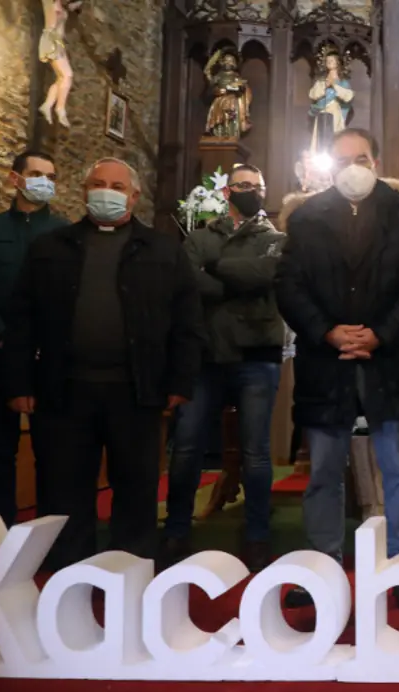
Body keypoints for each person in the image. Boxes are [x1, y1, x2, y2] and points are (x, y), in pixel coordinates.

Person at [3, 157, 204, 570]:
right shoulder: (50, 249)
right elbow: (22, 318)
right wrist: (19, 381)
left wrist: (180, 382)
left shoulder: (164, 250)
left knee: (136, 488)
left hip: (136, 390)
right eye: (98, 183)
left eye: (116, 185)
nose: (106, 191)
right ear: (83, 191)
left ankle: (129, 576)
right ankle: (67, 577)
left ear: (133, 195)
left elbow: (187, 322)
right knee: (64, 490)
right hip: (64, 389)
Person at [276, 128, 399, 611]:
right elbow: (289, 285)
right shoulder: (306, 217)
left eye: (361, 157)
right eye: (344, 158)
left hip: (391, 358)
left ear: (376, 160)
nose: (353, 166)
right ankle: (322, 565)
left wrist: (380, 333)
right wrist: (328, 331)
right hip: (327, 362)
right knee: (325, 471)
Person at [162, 164, 285, 571]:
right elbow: (185, 282)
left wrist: (214, 269)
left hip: (256, 355)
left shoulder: (277, 240)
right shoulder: (200, 237)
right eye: (242, 185)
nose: (250, 190)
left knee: (256, 452)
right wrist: (236, 280)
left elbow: (267, 275)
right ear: (227, 192)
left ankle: (257, 535)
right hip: (206, 356)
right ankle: (176, 529)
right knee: (187, 446)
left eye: (257, 185)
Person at [0, 150, 69, 528]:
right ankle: (0, 528)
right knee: (1, 448)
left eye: (50, 177)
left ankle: (50, 530)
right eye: (36, 174)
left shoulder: (65, 234)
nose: (44, 182)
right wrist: (4, 337)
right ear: (15, 178)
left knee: (50, 449)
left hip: (48, 357)